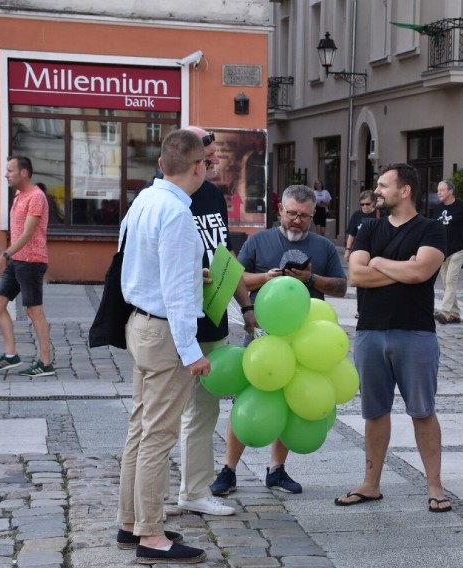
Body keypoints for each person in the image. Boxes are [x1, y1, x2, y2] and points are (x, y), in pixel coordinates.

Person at [210, 184, 347, 496]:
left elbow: (341, 286)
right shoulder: (259, 241)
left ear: (313, 215)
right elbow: (236, 278)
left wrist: (310, 279)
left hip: (305, 342)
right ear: (280, 212)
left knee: (291, 401)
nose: (297, 220)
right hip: (262, 337)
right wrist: (268, 278)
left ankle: (277, 469)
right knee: (247, 400)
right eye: (291, 213)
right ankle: (229, 470)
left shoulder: (323, 247)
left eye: (304, 215)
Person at [115, 129, 211, 564]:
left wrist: (194, 274)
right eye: (206, 162)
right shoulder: (176, 215)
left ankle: (130, 523)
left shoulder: (145, 201)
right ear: (198, 167)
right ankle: (151, 537)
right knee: (158, 436)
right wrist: (192, 353)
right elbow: (175, 294)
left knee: (140, 429)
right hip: (165, 332)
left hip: (141, 323)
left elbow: (134, 261)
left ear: (160, 165)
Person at [335, 163, 450, 513]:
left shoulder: (431, 229)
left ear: (405, 190)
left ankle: (435, 487)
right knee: (374, 412)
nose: (377, 191)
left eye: (384, 185)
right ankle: (370, 485)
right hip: (370, 331)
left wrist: (380, 264)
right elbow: (356, 275)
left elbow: (421, 272)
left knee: (422, 411)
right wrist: (398, 267)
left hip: (415, 333)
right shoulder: (369, 228)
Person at [176, 126, 257, 518]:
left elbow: (223, 256)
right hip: (174, 320)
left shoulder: (213, 196)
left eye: (213, 157)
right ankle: (156, 496)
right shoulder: (167, 198)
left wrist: (246, 307)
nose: (213, 162)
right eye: (207, 157)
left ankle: (193, 490)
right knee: (162, 414)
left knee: (203, 411)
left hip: (213, 319)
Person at [0, 156, 54, 377]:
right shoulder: (18, 195)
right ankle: (11, 355)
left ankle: (45, 363)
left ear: (24, 173)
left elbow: (27, 233)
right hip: (18, 261)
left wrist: (3, 256)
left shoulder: (36, 197)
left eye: (10, 171)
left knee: (34, 311)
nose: (6, 174)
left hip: (31, 261)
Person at [432, 179, 463, 325]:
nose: (438, 193)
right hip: (443, 251)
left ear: (450, 191)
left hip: (459, 249)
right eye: (438, 190)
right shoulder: (438, 209)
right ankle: (455, 314)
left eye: (441, 190)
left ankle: (445, 313)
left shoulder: (462, 207)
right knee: (446, 282)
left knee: (450, 280)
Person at [344, 190, 381, 318]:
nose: (365, 207)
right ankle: (361, 310)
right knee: (360, 283)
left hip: (376, 254)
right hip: (359, 253)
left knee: (375, 282)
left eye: (367, 204)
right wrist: (348, 250)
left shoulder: (380, 215)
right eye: (362, 204)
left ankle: (375, 308)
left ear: (374, 203)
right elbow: (351, 234)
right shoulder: (356, 216)